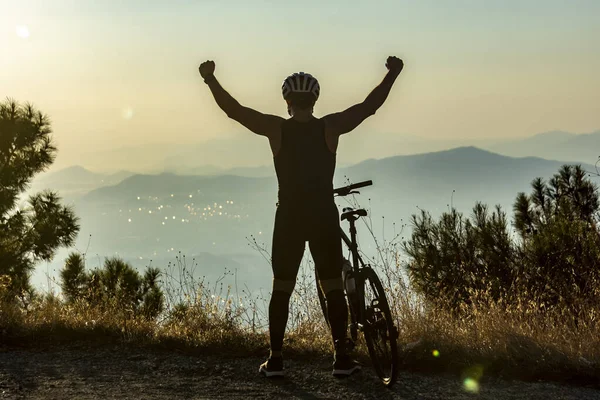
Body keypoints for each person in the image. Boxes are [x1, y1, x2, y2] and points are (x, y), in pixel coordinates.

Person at [198, 56, 404, 378]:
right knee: (333, 285)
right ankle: (341, 359)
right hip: (322, 215)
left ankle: (276, 360)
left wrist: (211, 79)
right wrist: (392, 74)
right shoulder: (330, 128)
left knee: (282, 287)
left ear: (287, 102)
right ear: (315, 99)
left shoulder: (276, 129)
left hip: (290, 217)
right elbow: (368, 107)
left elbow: (234, 111)